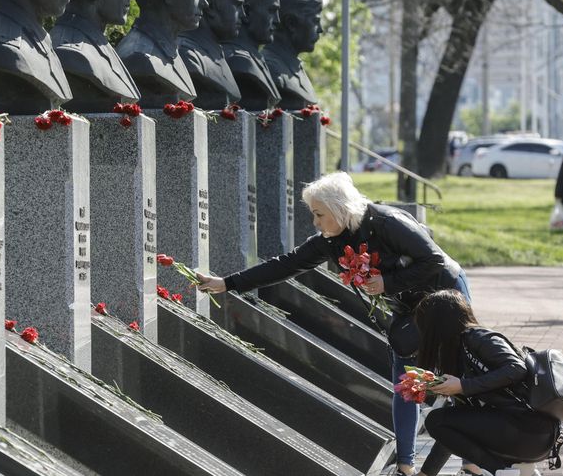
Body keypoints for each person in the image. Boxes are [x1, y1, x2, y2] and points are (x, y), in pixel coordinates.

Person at [196, 171, 472, 476]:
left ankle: (473, 458)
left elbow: (433, 260)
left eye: (318, 214)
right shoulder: (332, 241)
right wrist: (227, 283)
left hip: (445, 295)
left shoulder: (387, 222)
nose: (315, 222)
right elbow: (286, 264)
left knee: (456, 371)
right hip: (407, 306)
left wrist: (388, 282)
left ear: (341, 209)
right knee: (408, 381)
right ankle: (407, 465)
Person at [413, 291, 559, 476]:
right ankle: (503, 470)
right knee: (441, 420)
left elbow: (517, 368)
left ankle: (499, 471)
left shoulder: (478, 337)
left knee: (436, 419)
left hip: (531, 430)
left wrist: (464, 386)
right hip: (522, 432)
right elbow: (452, 429)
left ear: (437, 325)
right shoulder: (458, 352)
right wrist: (427, 473)